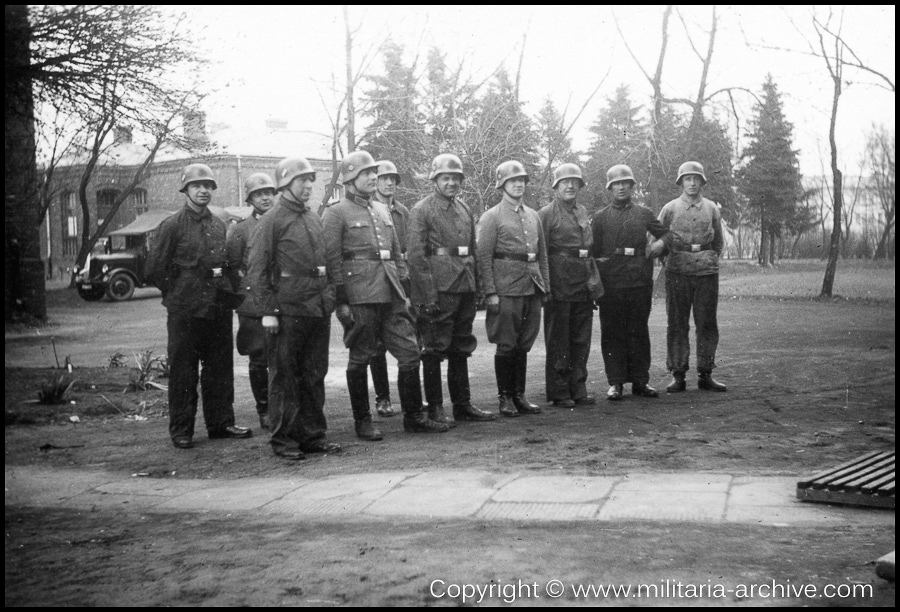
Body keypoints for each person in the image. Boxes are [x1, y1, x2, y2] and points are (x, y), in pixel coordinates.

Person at [323, 150, 449, 439]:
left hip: (391, 293)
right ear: (351, 179)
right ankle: (363, 420)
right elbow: (332, 260)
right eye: (366, 173)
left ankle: (414, 417)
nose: (372, 177)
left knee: (409, 353)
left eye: (373, 173)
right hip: (360, 297)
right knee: (361, 358)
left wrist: (404, 289)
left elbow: (395, 254)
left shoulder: (381, 211)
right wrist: (342, 301)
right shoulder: (336, 213)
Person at [147, 163, 252, 449]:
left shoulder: (218, 224)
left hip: (216, 307)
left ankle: (221, 423)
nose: (203, 190)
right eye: (197, 186)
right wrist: (179, 290)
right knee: (184, 370)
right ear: (186, 190)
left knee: (219, 367)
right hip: (185, 311)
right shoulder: (171, 226)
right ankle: (182, 429)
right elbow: (155, 268)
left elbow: (226, 265)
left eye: (208, 186)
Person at [246, 157, 341, 460]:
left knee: (314, 374)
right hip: (286, 310)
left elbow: (324, 265)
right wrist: (269, 312)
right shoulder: (271, 220)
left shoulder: (313, 218)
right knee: (284, 377)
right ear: (286, 184)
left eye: (311, 180)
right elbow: (257, 270)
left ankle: (313, 435)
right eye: (303, 181)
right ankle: (284, 439)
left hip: (316, 308)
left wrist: (328, 298)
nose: (309, 186)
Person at [408, 153, 497, 425]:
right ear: (435, 179)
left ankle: (462, 404)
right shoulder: (422, 210)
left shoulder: (465, 209)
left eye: (456, 178)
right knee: (434, 349)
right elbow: (416, 256)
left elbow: (473, 250)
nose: (451, 183)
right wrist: (426, 294)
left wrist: (477, 286)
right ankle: (435, 407)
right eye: (446, 178)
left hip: (464, 285)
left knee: (461, 346)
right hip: (438, 288)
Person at [476, 160, 549, 417]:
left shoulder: (533, 216)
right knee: (506, 344)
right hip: (506, 289)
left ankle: (519, 395)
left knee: (524, 344)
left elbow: (541, 256)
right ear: (502, 185)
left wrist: (545, 288)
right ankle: (504, 397)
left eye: (522, 180)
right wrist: (490, 292)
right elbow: (483, 257)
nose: (518, 184)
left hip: (532, 287)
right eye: (512, 181)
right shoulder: (492, 216)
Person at [591, 164, 670, 401]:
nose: (622, 187)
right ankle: (615, 382)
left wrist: (659, 245)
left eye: (626, 183)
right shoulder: (601, 217)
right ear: (610, 187)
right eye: (617, 183)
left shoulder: (644, 213)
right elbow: (593, 252)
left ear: (632, 186)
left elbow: (667, 234)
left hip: (639, 281)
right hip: (611, 282)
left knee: (638, 330)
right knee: (612, 331)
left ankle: (640, 381)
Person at [656, 161, 727, 393]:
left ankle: (705, 373)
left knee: (706, 323)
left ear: (702, 181)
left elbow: (718, 242)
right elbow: (657, 238)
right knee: (677, 323)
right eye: (688, 178)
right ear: (681, 182)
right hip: (677, 271)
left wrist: (709, 258)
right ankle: (678, 374)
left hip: (706, 272)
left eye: (696, 178)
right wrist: (667, 258)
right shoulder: (670, 209)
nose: (692, 183)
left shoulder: (711, 209)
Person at [539, 163, 604, 408]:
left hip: (583, 283)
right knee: (559, 339)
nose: (570, 185)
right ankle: (559, 391)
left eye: (574, 182)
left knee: (581, 338)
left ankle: (579, 388)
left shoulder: (582, 211)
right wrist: (546, 286)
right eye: (564, 182)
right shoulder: (546, 213)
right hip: (559, 283)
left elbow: (588, 248)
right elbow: (541, 252)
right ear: (556, 186)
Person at [226, 173, 276, 430]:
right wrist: (246, 295)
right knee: (259, 358)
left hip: (280, 301)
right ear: (250, 199)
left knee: (283, 357)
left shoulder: (282, 223)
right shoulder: (240, 229)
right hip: (252, 304)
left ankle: (282, 406)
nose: (265, 197)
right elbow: (233, 268)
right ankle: (264, 408)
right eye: (259, 194)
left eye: (269, 192)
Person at [367, 161, 409, 419]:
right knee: (376, 346)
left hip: (400, 280)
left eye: (393, 178)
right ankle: (383, 398)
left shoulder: (403, 212)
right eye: (384, 178)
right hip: (376, 280)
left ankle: (410, 401)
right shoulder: (369, 209)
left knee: (407, 343)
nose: (389, 183)